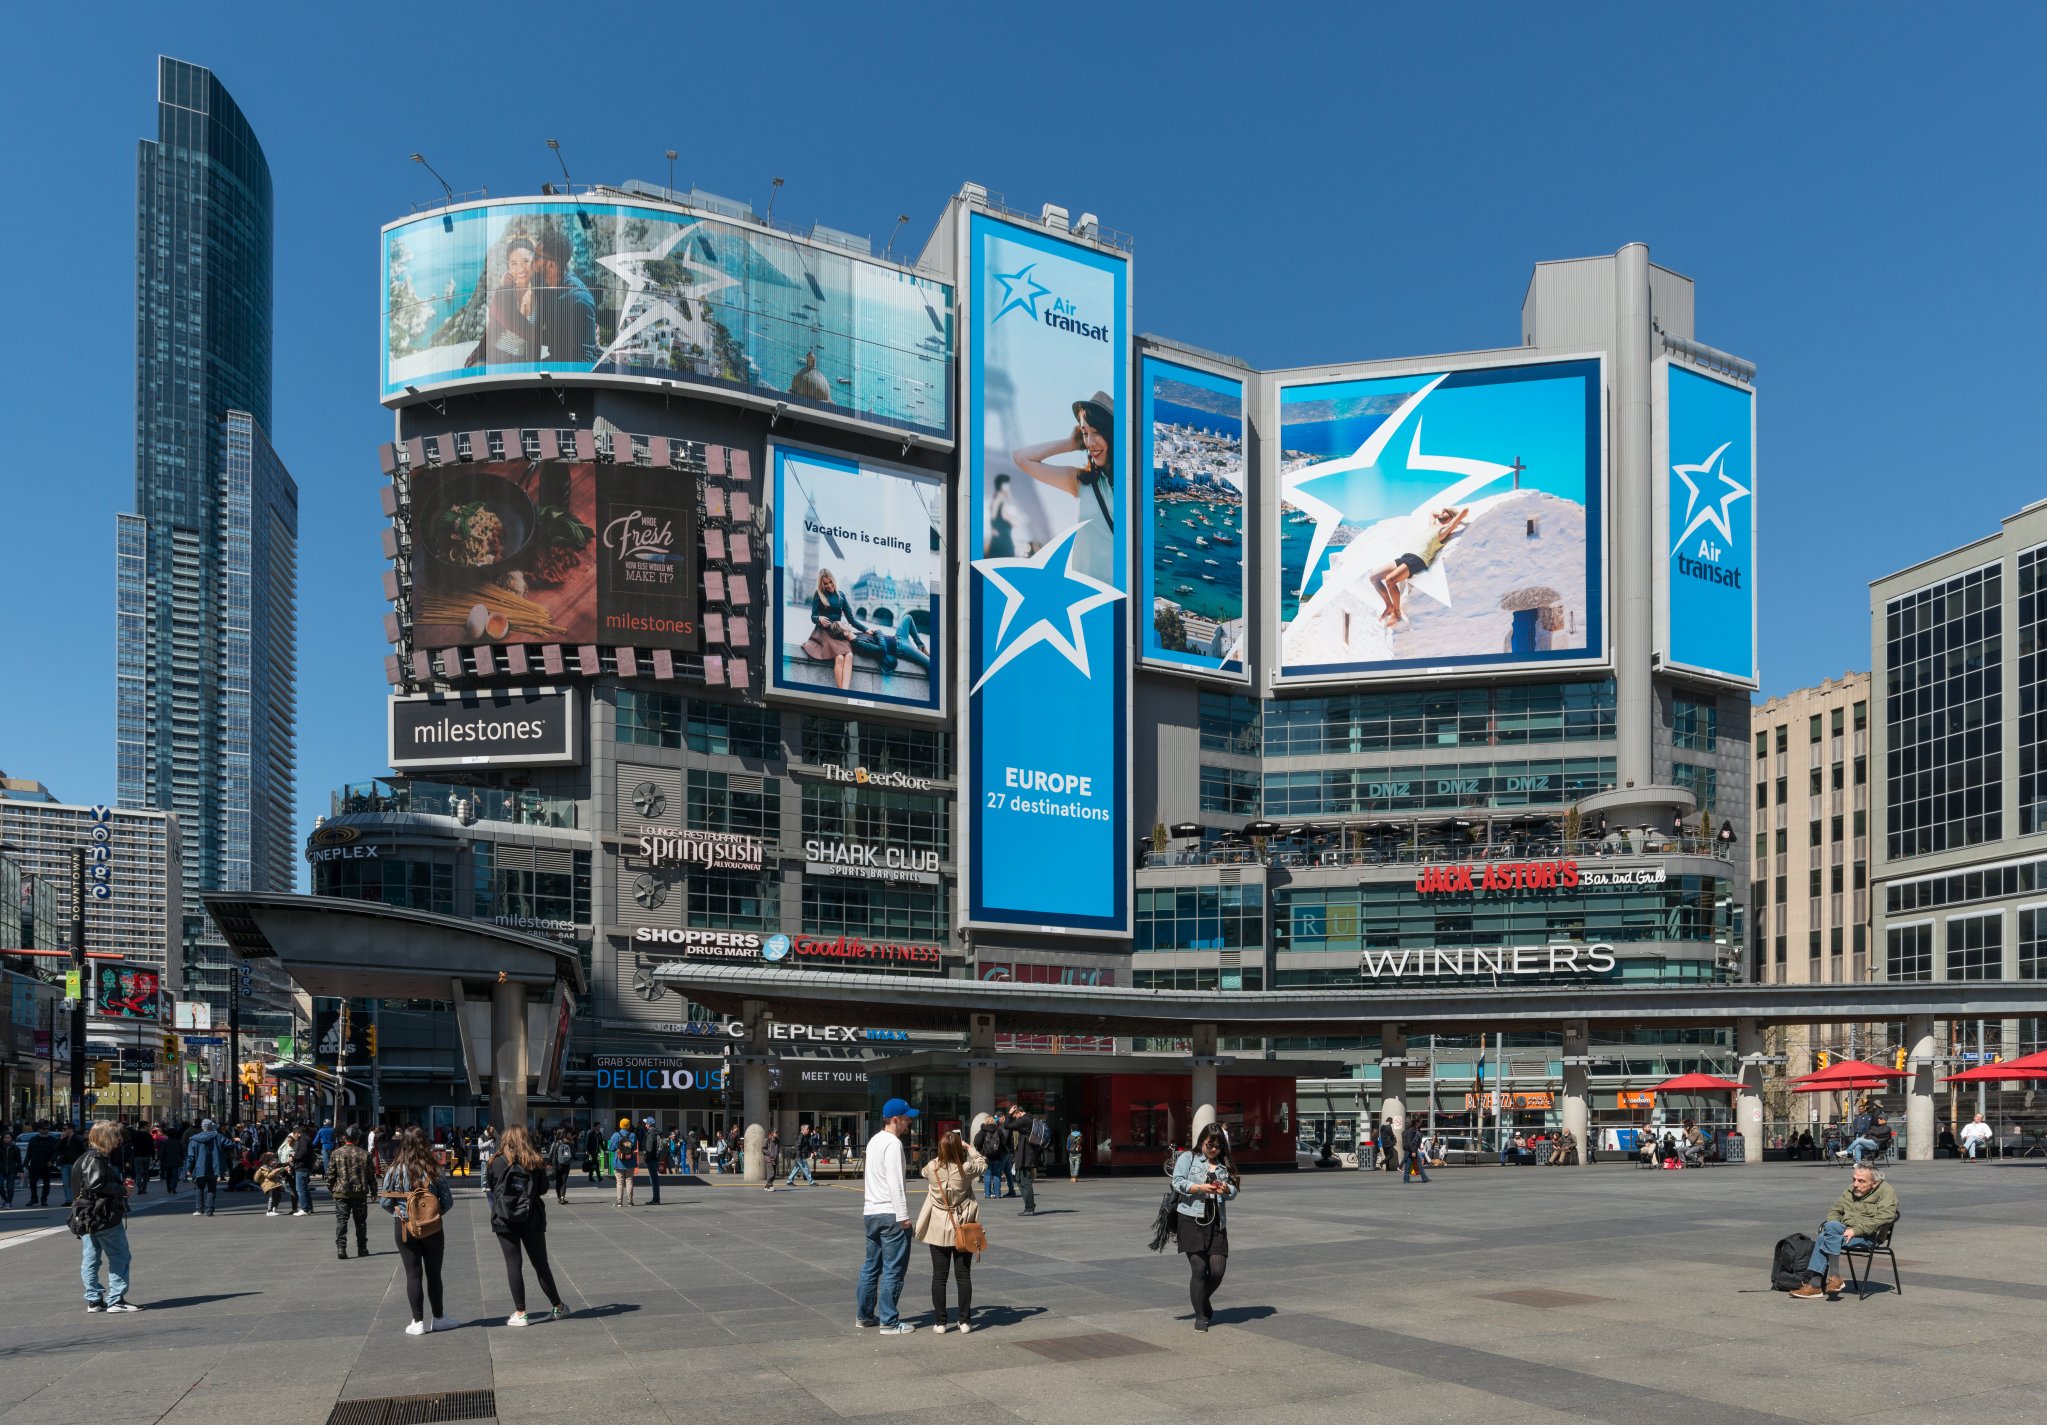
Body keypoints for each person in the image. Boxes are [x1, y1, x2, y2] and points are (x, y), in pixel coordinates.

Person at [1010, 392, 1116, 583]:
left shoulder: (1131, 487)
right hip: (1087, 596)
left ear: (1111, 432)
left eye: (1097, 432)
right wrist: (1070, 444)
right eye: (1085, 433)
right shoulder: (1082, 482)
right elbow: (1021, 458)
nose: (1090, 442)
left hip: (1122, 595)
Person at [485, 1126, 568, 1327]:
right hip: (532, 1218)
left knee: (513, 1264)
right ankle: (558, 1306)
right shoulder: (535, 1160)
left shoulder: (496, 1161)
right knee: (541, 1265)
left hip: (504, 1219)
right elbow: (543, 1189)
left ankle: (521, 1313)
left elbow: (492, 1186)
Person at [380, 1128, 460, 1335]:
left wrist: (402, 1213)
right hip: (432, 1228)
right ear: (425, 1144)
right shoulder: (434, 1169)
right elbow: (448, 1202)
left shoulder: (394, 1170)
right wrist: (431, 1215)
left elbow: (385, 1202)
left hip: (404, 1227)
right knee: (434, 1274)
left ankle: (418, 1322)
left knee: (413, 1273)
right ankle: (439, 1318)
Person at [1789, 1163, 1899, 1300]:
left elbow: (1885, 1217)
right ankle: (1833, 1279)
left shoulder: (1886, 1191)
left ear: (1874, 1183)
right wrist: (1834, 1225)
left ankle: (1817, 1285)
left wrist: (1856, 1230)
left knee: (1823, 1238)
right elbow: (1835, 1210)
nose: (1855, 1184)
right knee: (1831, 1227)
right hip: (1843, 1231)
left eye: (1861, 1181)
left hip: (1869, 1236)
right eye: (1854, 1179)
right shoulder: (1851, 1189)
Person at [856, 1097, 919, 1335]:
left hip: (871, 1212)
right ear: (895, 1119)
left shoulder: (874, 1141)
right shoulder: (893, 1143)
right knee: (893, 1269)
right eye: (906, 1118)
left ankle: (864, 1316)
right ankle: (889, 1322)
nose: (909, 1122)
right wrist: (903, 1216)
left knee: (871, 1267)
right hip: (890, 1214)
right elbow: (895, 1182)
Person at [915, 1128, 987, 1333]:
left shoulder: (932, 1167)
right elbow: (983, 1164)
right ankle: (965, 1321)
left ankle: (940, 1322)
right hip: (962, 1226)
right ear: (958, 1149)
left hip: (938, 1227)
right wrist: (968, 1147)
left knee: (939, 1276)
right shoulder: (966, 1168)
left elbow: (923, 1172)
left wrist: (942, 1155)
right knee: (963, 1276)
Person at [1171, 1124, 1239, 1332]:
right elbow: (1177, 1182)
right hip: (1190, 1218)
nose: (1213, 1149)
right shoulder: (1188, 1158)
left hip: (1216, 1220)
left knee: (1217, 1271)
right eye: (1210, 1145)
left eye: (1218, 1146)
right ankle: (1200, 1316)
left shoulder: (1224, 1164)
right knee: (1199, 1270)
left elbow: (1234, 1191)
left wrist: (1226, 1189)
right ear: (1202, 1141)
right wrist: (1200, 1188)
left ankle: (1202, 1299)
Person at [1369, 505, 1470, 628]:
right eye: (1441, 514)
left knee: (1390, 580)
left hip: (1418, 559)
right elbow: (1432, 513)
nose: (1441, 516)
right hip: (1406, 556)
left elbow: (1464, 512)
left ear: (1451, 519)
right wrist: (1443, 514)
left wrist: (1455, 520)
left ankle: (1397, 612)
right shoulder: (1433, 527)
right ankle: (1389, 606)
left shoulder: (1443, 532)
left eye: (1445, 515)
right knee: (1374, 577)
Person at [73, 1121, 137, 1312]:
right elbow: (96, 1184)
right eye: (116, 1136)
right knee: (119, 1255)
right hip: (103, 1214)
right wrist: (122, 1189)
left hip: (87, 1215)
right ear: (106, 1137)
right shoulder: (96, 1158)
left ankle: (94, 1299)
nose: (119, 1140)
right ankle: (116, 1299)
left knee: (91, 1258)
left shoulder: (86, 1157)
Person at [531, 229, 599, 364]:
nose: (532, 260)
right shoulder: (545, 287)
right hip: (554, 362)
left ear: (551, 265)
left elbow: (585, 360)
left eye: (537, 257)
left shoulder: (578, 299)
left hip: (569, 370)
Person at [801, 569, 869, 691]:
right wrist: (819, 618)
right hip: (824, 632)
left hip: (838, 632)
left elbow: (851, 619)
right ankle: (842, 693)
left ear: (834, 580)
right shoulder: (819, 594)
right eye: (825, 584)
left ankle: (844, 692)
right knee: (839, 658)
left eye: (830, 582)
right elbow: (813, 617)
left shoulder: (841, 595)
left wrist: (866, 629)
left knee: (849, 655)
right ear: (822, 584)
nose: (829, 585)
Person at [328, 1125, 374, 1260]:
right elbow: (371, 1175)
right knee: (361, 1222)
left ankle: (341, 1248)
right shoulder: (365, 1154)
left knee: (341, 1221)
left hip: (341, 1192)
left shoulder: (336, 1153)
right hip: (359, 1193)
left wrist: (331, 1189)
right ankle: (362, 1248)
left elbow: (331, 1174)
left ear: (344, 1138)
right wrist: (374, 1190)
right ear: (357, 1139)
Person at [183, 1118, 231, 1218]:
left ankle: (199, 1209)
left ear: (202, 1127)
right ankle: (210, 1210)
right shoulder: (218, 1136)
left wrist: (189, 1168)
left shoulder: (194, 1139)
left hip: (199, 1167)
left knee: (199, 1188)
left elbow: (191, 1157)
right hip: (214, 1167)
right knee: (211, 1188)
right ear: (211, 1127)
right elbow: (230, 1144)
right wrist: (222, 1152)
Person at [1008, 1106, 1044, 1216]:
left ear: (1018, 1113)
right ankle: (1030, 1204)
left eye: (1015, 1116)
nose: (1015, 1118)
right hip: (1025, 1155)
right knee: (1019, 1179)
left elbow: (1007, 1125)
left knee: (1025, 1181)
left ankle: (1029, 1207)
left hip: (1026, 1156)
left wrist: (1009, 1114)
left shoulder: (1025, 1120)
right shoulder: (1029, 1119)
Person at [973, 1113, 1008, 1202]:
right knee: (996, 1175)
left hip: (986, 1156)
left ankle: (987, 1194)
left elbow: (977, 1141)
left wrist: (980, 1150)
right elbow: (1004, 1142)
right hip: (997, 1156)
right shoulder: (998, 1130)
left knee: (987, 1175)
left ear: (986, 1121)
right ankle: (997, 1194)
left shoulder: (983, 1130)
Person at [984, 472, 1017, 558]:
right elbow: (994, 518)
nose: (1008, 487)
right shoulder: (999, 501)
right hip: (1003, 546)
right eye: (1007, 484)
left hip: (1001, 545)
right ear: (1002, 485)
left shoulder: (999, 502)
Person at [608, 1118, 639, 1207]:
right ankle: (630, 1201)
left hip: (618, 1161)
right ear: (629, 1126)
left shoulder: (615, 1135)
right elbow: (634, 1148)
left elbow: (611, 1148)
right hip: (630, 1161)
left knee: (619, 1182)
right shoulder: (633, 1135)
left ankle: (619, 1202)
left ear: (620, 1125)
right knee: (629, 1181)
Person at [23, 1122, 56, 1207]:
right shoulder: (33, 1140)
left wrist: (51, 1161)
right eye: (44, 1128)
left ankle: (44, 1199)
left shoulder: (52, 1140)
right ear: (39, 1130)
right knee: (32, 1182)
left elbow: (55, 1153)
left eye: (47, 1128)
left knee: (46, 1183)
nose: (46, 1130)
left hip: (46, 1165)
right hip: (34, 1164)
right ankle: (34, 1198)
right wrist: (25, 1164)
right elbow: (29, 1153)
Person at [54, 1124, 85, 1205]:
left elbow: (84, 1150)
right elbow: (55, 1148)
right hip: (64, 1163)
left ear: (71, 1129)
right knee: (66, 1183)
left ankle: (77, 1199)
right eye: (63, 1129)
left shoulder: (78, 1138)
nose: (63, 1131)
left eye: (65, 1129)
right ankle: (68, 1200)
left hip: (75, 1163)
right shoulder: (63, 1139)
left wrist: (82, 1162)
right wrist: (60, 1139)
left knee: (76, 1183)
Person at [548, 1126, 576, 1202]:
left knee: (558, 1181)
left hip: (557, 1164)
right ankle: (563, 1197)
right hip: (566, 1164)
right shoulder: (568, 1143)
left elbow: (550, 1154)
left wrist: (550, 1163)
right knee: (564, 1182)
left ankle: (559, 1198)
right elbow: (574, 1152)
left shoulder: (555, 1143)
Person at [785, 1124, 819, 1188]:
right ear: (803, 1130)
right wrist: (799, 1156)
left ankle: (789, 1181)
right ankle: (811, 1182)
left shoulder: (804, 1136)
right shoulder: (801, 1136)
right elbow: (797, 1146)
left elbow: (808, 1146)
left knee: (796, 1168)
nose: (808, 1130)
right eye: (807, 1129)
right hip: (801, 1155)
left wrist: (813, 1151)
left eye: (808, 1129)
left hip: (800, 1155)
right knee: (806, 1168)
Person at [638, 1118, 662, 1206]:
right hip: (655, 1158)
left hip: (651, 1159)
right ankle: (656, 1198)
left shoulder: (651, 1134)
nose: (645, 1125)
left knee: (653, 1179)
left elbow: (649, 1148)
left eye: (646, 1123)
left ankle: (655, 1199)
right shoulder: (656, 1132)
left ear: (649, 1124)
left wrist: (646, 1155)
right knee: (654, 1178)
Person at [1402, 1119, 1431, 1183]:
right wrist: (1413, 1151)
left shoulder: (1417, 1129)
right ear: (1416, 1122)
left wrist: (1419, 1146)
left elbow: (1417, 1140)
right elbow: (1410, 1141)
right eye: (1420, 1122)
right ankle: (1424, 1178)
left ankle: (1406, 1179)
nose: (1421, 1123)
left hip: (1413, 1149)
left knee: (1408, 1164)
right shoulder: (1411, 1130)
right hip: (1412, 1149)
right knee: (1418, 1163)